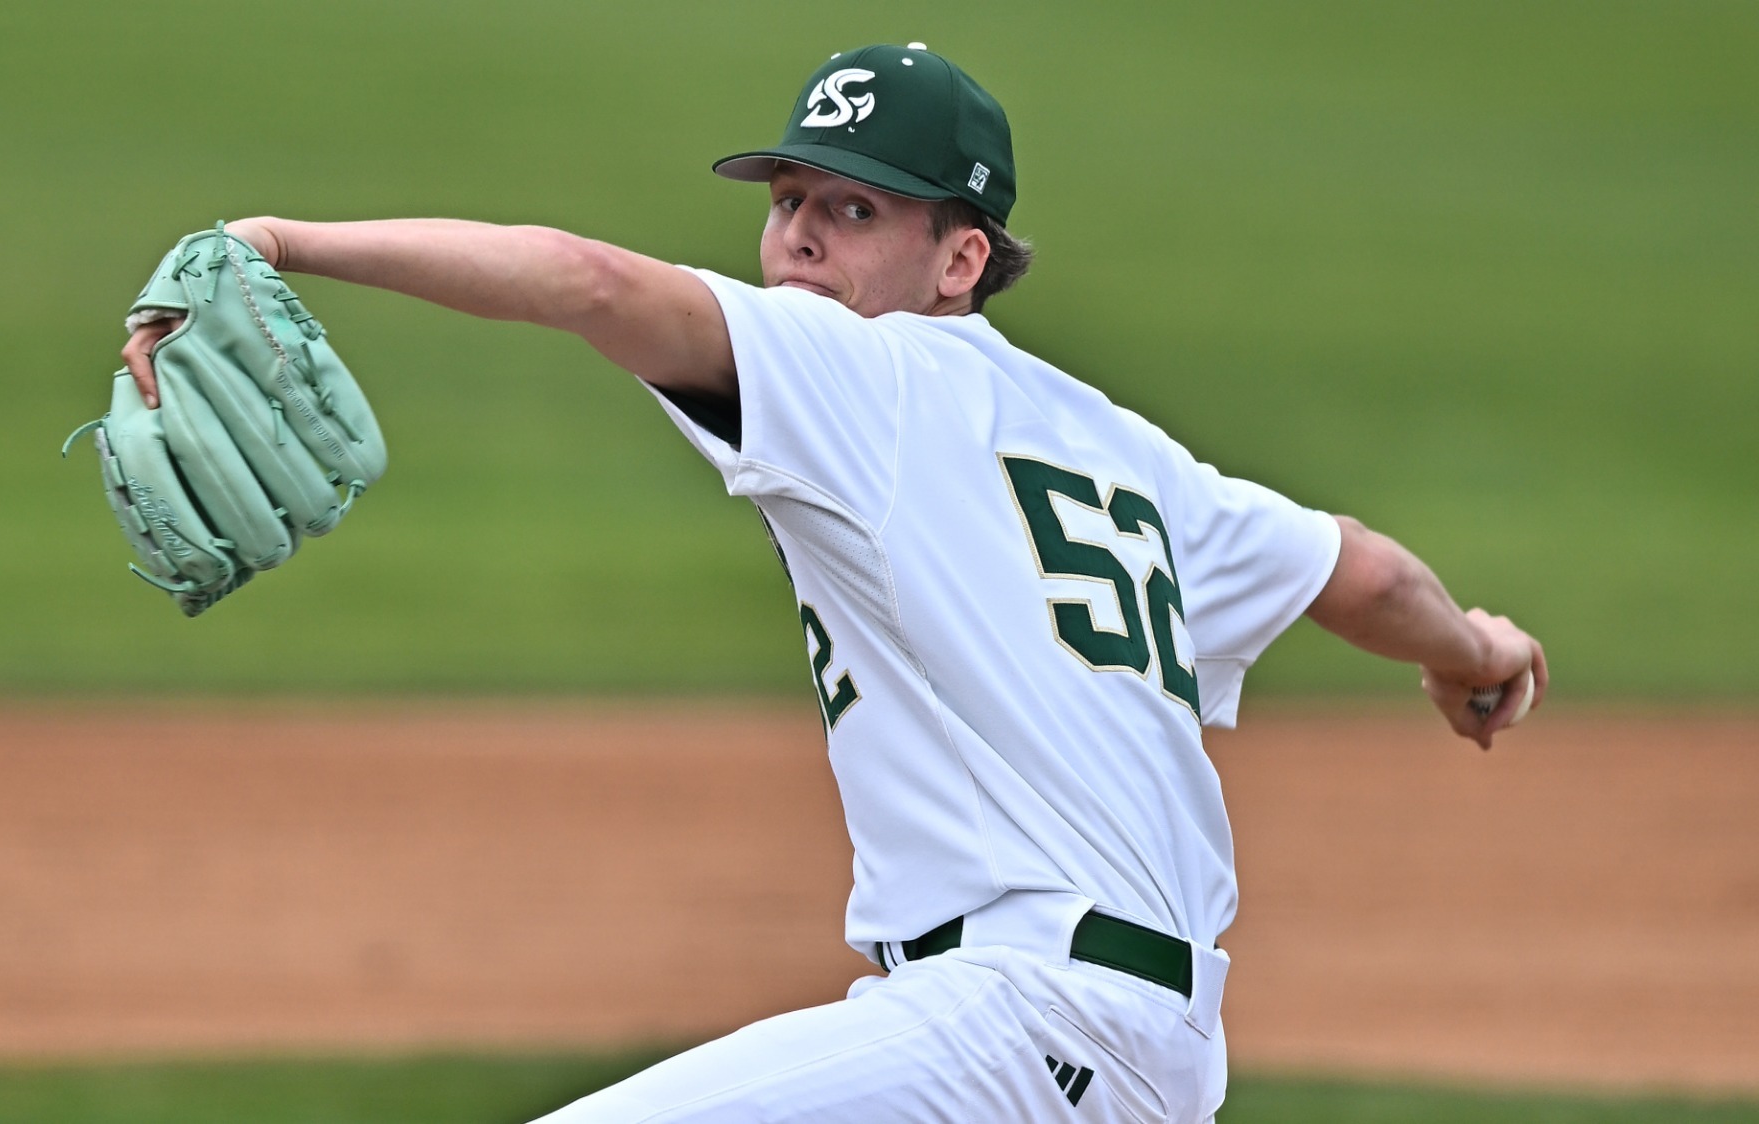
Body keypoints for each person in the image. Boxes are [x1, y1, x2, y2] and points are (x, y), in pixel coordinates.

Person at [121, 43, 1546, 1124]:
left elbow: (586, 280)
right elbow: (1359, 569)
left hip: (1022, 1023)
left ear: (958, 259)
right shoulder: (1130, 456)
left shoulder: (862, 370)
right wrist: (1467, 648)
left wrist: (282, 243)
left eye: (854, 209)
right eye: (789, 197)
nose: (799, 236)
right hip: (1112, 1049)